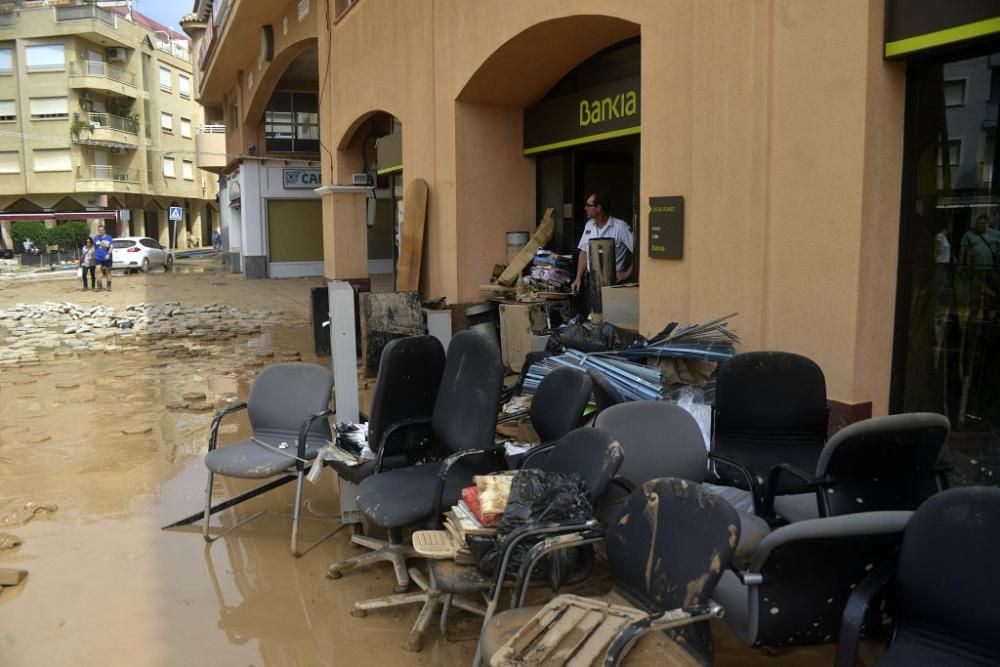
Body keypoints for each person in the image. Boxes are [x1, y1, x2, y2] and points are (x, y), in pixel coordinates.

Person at [570, 192, 634, 313]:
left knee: (611, 317)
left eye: (588, 205)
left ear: (598, 208)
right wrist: (578, 277)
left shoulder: (620, 227)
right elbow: (584, 252)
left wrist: (626, 274)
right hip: (591, 281)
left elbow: (639, 252)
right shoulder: (589, 226)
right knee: (593, 316)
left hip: (612, 282)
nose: (585, 208)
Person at [92, 224, 114, 291]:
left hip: (107, 257)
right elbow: (95, 247)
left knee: (108, 271)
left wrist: (108, 253)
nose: (100, 231)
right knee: (97, 270)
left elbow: (111, 246)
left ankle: (109, 286)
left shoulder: (109, 237)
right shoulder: (96, 238)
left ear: (104, 230)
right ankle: (99, 286)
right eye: (99, 230)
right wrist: (92, 253)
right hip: (98, 257)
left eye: (101, 230)